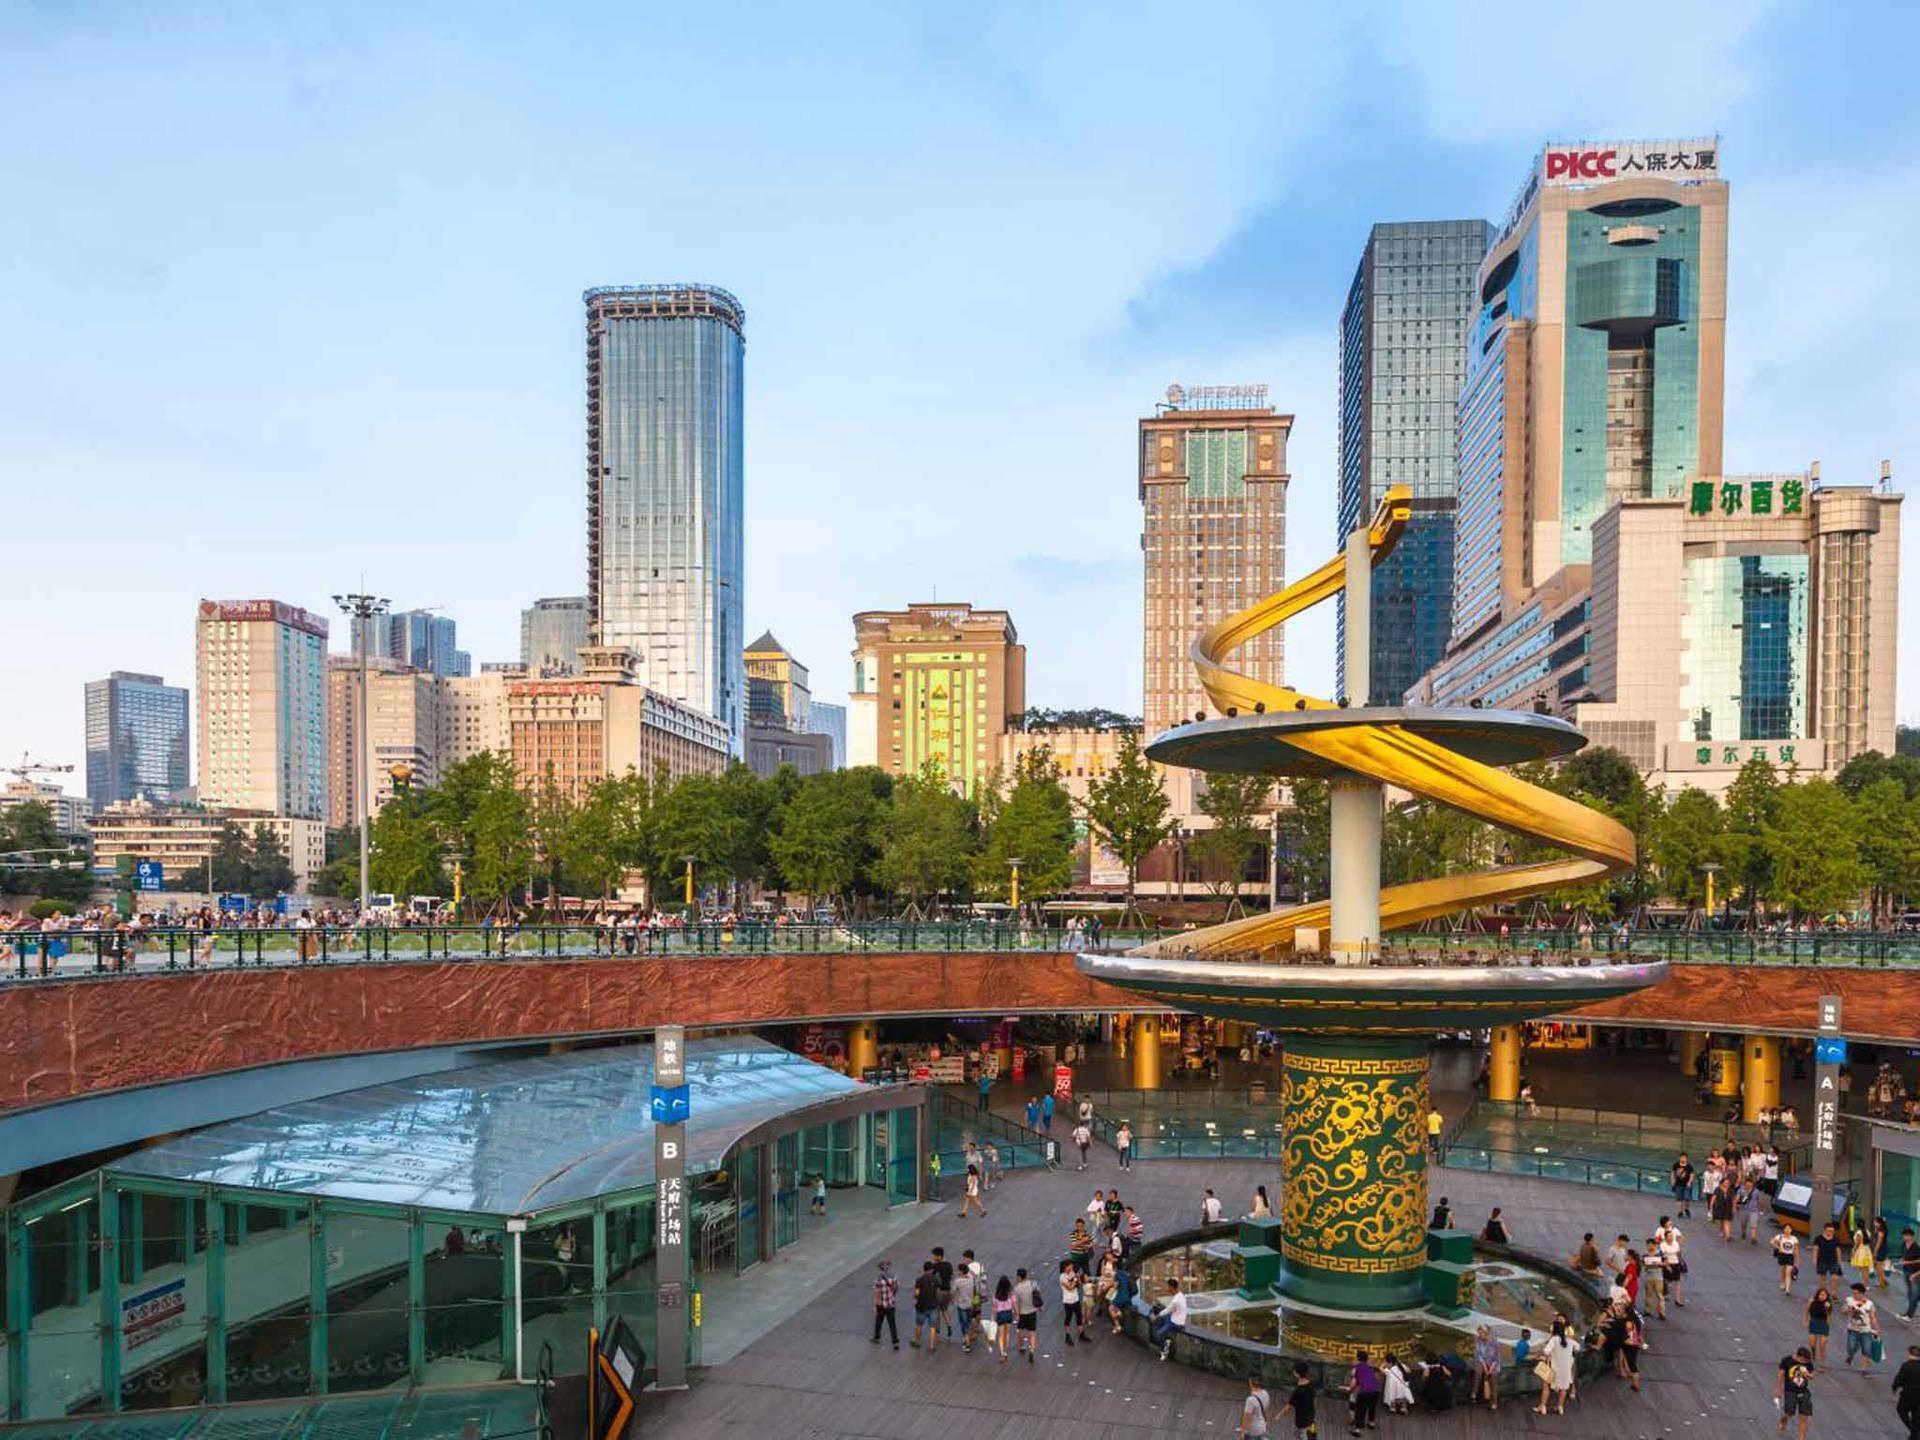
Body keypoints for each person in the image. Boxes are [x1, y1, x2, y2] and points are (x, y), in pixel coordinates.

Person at [1537, 1319, 1577, 1416]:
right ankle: (1560, 1407)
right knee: (1563, 1388)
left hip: (1553, 1368)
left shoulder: (1554, 1340)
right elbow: (1578, 1347)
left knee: (1546, 1387)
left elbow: (1546, 1351)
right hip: (1565, 1369)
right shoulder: (1569, 1340)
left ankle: (1543, 1407)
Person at [1776, 1345, 1814, 1439]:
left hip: (1804, 1391)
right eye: (1804, 1361)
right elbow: (1780, 1375)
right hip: (1790, 1391)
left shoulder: (1808, 1363)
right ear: (1800, 1357)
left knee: (1804, 1417)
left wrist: (1808, 1375)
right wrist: (1778, 1389)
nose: (1806, 1363)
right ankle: (1784, 1419)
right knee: (1789, 1412)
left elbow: (1812, 1375)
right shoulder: (1787, 1361)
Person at [1845, 1281, 1882, 1371]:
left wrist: (1877, 1329)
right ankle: (1851, 1355)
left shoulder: (1869, 1304)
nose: (1854, 1295)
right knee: (1851, 1348)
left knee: (1866, 1350)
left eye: (1856, 1293)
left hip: (1866, 1330)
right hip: (1852, 1329)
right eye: (1853, 1293)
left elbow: (1873, 1317)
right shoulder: (1849, 1300)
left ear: (1862, 1293)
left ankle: (1863, 1369)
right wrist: (1847, 1309)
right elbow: (1844, 1310)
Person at [1150, 1277, 1186, 1360]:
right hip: (1174, 1317)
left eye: (1168, 1286)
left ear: (1171, 1287)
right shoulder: (1181, 1295)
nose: (1167, 1288)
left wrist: (1156, 1317)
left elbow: (1168, 1310)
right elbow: (1171, 1309)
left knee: (1158, 1334)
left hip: (1176, 1323)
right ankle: (1164, 1336)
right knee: (1158, 1320)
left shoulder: (1176, 1300)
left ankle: (1164, 1349)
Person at [1348, 1349, 1381, 1434]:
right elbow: (1377, 1378)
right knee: (1371, 1407)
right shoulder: (1370, 1367)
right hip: (1375, 1391)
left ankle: (1357, 1430)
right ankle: (1371, 1423)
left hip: (1364, 1391)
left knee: (1360, 1410)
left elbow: (1353, 1382)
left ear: (1357, 1358)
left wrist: (1350, 1389)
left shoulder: (1357, 1368)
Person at [1013, 1266, 1042, 1363]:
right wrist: (1039, 1307)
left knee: (1020, 1330)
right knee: (1032, 1332)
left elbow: (1016, 1303)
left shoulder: (1017, 1288)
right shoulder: (1033, 1284)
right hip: (1032, 1311)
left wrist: (1017, 1314)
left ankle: (1021, 1346)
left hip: (1022, 1313)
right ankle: (1032, 1350)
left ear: (1019, 1277)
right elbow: (1037, 1296)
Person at [910, 1261, 941, 1351]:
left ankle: (917, 1342)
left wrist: (917, 1298)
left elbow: (916, 1293)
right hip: (933, 1306)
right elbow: (937, 1292)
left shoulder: (919, 1279)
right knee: (932, 1327)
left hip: (921, 1306)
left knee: (919, 1325)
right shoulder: (935, 1279)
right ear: (931, 1270)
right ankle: (931, 1346)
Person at [1060, 1257, 1091, 1345]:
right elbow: (1069, 1287)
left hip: (1076, 1298)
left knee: (1079, 1316)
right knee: (1068, 1318)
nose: (1072, 1267)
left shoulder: (1073, 1273)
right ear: (1066, 1267)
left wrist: (1079, 1279)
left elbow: (1079, 1284)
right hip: (1068, 1300)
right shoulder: (1062, 1277)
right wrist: (1075, 1279)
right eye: (1070, 1265)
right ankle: (1067, 1335)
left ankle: (1082, 1333)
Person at [1893, 1343, 1920, 1439]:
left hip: (1909, 1395)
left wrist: (1894, 1388)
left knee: (1901, 1410)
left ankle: (1915, 1432)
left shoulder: (1906, 1365)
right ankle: (1913, 1436)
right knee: (1916, 1416)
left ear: (1910, 1354)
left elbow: (1899, 1379)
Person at [871, 1260, 900, 1349]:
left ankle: (877, 1337)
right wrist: (892, 1296)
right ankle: (895, 1342)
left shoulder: (878, 1279)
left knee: (879, 1321)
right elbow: (896, 1288)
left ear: (880, 1269)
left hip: (881, 1305)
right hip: (891, 1304)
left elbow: (876, 1293)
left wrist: (875, 1305)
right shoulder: (894, 1277)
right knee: (892, 1323)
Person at [1472, 1324, 1501, 1410]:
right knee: (1477, 1372)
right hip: (1482, 1361)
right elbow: (1478, 1354)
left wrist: (1490, 1369)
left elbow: (1497, 1358)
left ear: (1486, 1334)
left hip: (1493, 1363)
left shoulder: (1495, 1342)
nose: (1479, 1335)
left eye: (1481, 1333)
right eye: (1479, 1333)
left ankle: (1494, 1402)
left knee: (1493, 1380)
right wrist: (1484, 1366)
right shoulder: (1477, 1340)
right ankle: (1474, 1393)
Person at [953, 1256, 978, 1353]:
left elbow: (953, 1291)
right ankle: (969, 1336)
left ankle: (967, 1343)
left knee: (964, 1325)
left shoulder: (958, 1281)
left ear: (961, 1271)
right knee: (968, 1321)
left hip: (961, 1305)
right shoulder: (972, 1280)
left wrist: (953, 1299)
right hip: (970, 1305)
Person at [1287, 1361, 1317, 1438]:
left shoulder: (1298, 1390)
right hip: (1311, 1417)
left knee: (1301, 1435)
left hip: (1301, 1420)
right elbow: (1314, 1399)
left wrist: (1279, 1415)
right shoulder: (1311, 1384)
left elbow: (1289, 1405)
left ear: (1297, 1374)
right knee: (1311, 1435)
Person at [1807, 1286, 1834, 1370]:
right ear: (1818, 1295)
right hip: (1814, 1322)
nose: (1822, 1296)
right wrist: (1805, 1321)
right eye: (1821, 1294)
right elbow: (1806, 1310)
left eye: (1824, 1295)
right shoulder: (1812, 1301)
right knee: (1812, 1343)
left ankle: (1822, 1364)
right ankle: (1813, 1351)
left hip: (1823, 1324)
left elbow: (1829, 1315)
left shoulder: (1828, 1304)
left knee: (1822, 1345)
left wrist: (1827, 1307)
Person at [931, 1246, 955, 1340]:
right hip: (947, 1291)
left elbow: (933, 1280)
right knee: (944, 1310)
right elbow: (951, 1276)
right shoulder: (948, 1264)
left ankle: (937, 1331)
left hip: (938, 1291)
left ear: (939, 1256)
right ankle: (948, 1325)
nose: (933, 1257)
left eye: (934, 1256)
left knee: (936, 1311)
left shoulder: (934, 1267)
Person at [1813, 1222, 1845, 1292]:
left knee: (1835, 1278)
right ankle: (1823, 1294)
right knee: (1822, 1279)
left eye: (1832, 1231)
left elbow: (1838, 1250)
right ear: (1824, 1230)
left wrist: (1840, 1261)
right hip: (1822, 1260)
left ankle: (1834, 1295)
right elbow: (1816, 1249)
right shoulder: (1818, 1238)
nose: (1831, 1232)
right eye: (1829, 1231)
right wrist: (1814, 1259)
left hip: (1833, 1261)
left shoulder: (1836, 1239)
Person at [1239, 1372, 1271, 1440]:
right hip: (1263, 1427)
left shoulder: (1250, 1400)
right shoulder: (1265, 1393)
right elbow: (1266, 1411)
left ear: (1250, 1383)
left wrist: (1243, 1432)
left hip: (1253, 1430)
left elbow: (1247, 1417)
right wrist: (1267, 1423)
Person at [991, 1274, 1015, 1362]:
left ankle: (1001, 1353)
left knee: (1000, 1336)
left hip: (1000, 1314)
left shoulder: (996, 1294)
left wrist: (993, 1318)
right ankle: (1005, 1352)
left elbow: (994, 1308)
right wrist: (1016, 1314)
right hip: (1008, 1313)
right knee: (1007, 1334)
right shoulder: (1010, 1293)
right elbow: (1014, 1303)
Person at [1774, 1221, 1802, 1294]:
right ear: (1783, 1229)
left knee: (1788, 1272)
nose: (1787, 1230)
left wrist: (1797, 1259)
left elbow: (1796, 1249)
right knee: (1783, 1269)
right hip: (1782, 1255)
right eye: (1786, 1228)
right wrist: (1778, 1247)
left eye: (1789, 1228)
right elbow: (1771, 1242)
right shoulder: (1780, 1236)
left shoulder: (1794, 1238)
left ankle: (1787, 1289)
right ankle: (1782, 1282)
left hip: (1790, 1256)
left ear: (1791, 1230)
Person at [1739, 1176, 1766, 1245]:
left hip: (1753, 1210)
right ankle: (1743, 1232)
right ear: (1745, 1184)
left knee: (1753, 1225)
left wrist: (1761, 1209)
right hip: (1743, 1210)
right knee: (1743, 1224)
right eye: (1747, 1183)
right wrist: (1735, 1205)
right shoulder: (1741, 1190)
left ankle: (1753, 1238)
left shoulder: (1756, 1191)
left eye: (1750, 1183)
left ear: (1752, 1184)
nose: (1748, 1185)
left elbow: (1760, 1200)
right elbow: (1737, 1198)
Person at [1901, 1227, 1920, 1321]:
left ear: (1912, 1236)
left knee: (1914, 1295)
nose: (1905, 1237)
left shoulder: (1916, 1247)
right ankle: (1910, 1311)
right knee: (1910, 1293)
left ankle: (1909, 1315)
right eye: (1904, 1235)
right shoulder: (1903, 1245)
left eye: (1907, 1235)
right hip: (1906, 1271)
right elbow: (1903, 1256)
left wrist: (1908, 1262)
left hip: (1915, 1272)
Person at [1670, 1152, 1696, 1218]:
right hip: (1678, 1184)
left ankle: (1686, 1209)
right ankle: (1680, 1212)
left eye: (1684, 1157)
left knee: (1687, 1198)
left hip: (1686, 1185)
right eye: (1681, 1157)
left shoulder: (1689, 1166)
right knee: (1679, 1198)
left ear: (1686, 1158)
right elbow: (1673, 1173)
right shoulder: (1675, 1165)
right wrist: (1672, 1180)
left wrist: (1689, 1182)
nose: (1683, 1159)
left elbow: (1692, 1175)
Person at [1875, 1216, 1894, 1290]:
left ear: (1879, 1222)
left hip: (1881, 1249)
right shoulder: (1883, 1229)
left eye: (1875, 1222)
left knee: (1879, 1267)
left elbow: (1879, 1242)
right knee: (1880, 1266)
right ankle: (1883, 1281)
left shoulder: (1881, 1231)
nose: (1874, 1223)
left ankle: (1881, 1283)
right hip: (1883, 1249)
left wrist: (1875, 1251)